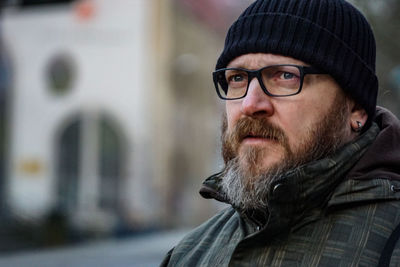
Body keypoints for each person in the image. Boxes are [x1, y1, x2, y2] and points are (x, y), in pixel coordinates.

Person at [161, 0, 400, 266]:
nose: (250, 104)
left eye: (286, 76)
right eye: (237, 78)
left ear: (355, 107)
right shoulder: (188, 255)